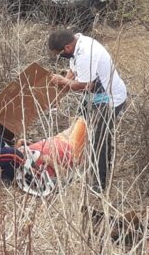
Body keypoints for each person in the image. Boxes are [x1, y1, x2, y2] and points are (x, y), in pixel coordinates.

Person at [47, 29, 127, 192]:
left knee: (99, 141)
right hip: (93, 98)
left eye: (59, 54)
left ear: (67, 48)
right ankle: (79, 166)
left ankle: (99, 184)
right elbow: (73, 71)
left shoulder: (85, 54)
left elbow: (85, 85)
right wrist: (59, 93)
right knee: (79, 129)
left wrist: (62, 81)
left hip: (109, 100)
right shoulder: (77, 43)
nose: (59, 57)